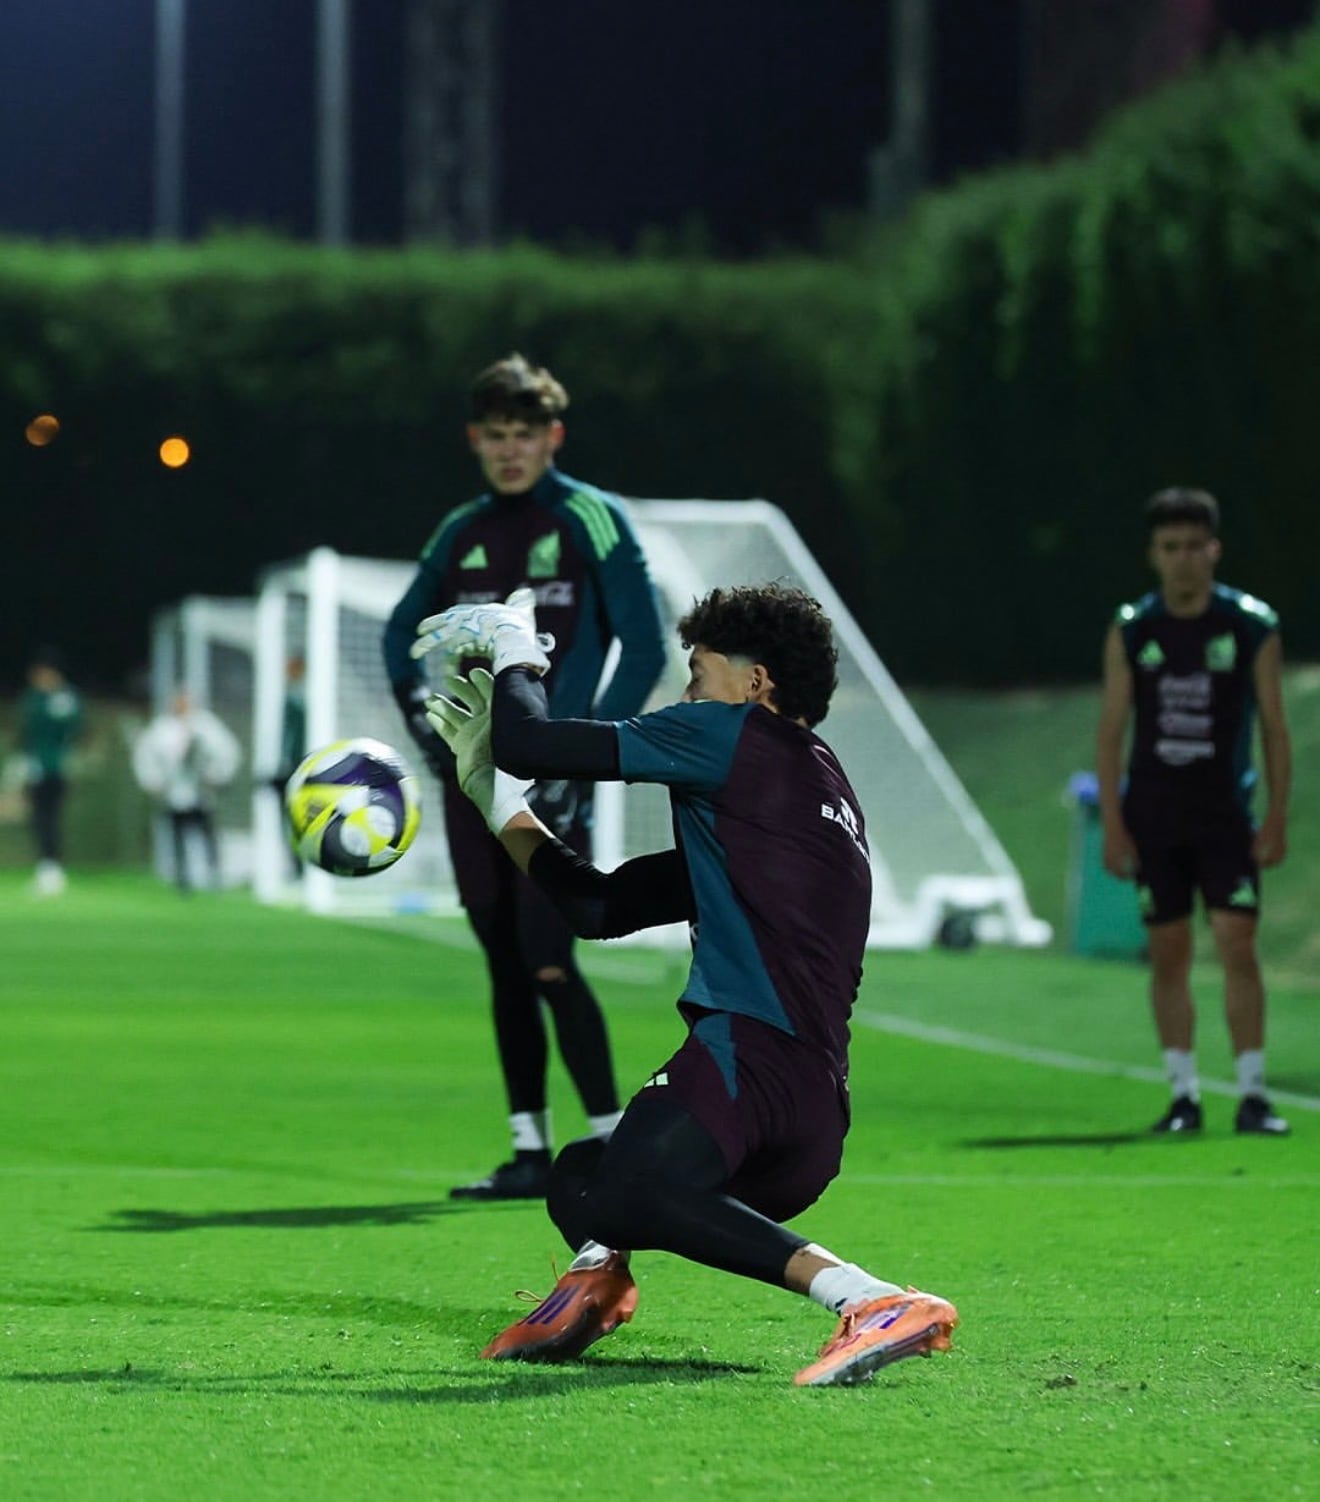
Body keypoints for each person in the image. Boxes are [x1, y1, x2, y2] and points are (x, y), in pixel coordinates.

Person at [414, 582, 959, 1387]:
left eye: (698, 672)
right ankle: (593, 1287)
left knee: (623, 1185)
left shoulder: (733, 734)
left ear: (756, 683)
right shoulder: (808, 794)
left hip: (749, 1057)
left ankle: (869, 1297)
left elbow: (531, 741)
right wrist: (498, 802)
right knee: (582, 1177)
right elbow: (599, 907)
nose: (687, 695)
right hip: (810, 1118)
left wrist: (514, 647)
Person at [382, 353, 666, 1201]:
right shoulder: (458, 531)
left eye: (525, 435)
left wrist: (587, 748)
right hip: (471, 780)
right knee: (504, 963)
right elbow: (399, 636)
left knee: (549, 960)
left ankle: (614, 1142)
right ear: (476, 440)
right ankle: (527, 1152)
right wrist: (427, 733)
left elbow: (644, 645)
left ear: (554, 437)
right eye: (496, 436)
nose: (511, 451)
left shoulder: (592, 517)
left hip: (549, 783)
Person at [1096, 487, 1293, 1137]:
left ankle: (1254, 1093)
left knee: (1238, 942)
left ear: (1215, 550)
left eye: (1195, 547)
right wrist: (1115, 825)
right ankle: (1183, 1094)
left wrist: (1276, 815)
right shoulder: (1134, 628)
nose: (1184, 560)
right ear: (1154, 555)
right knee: (1169, 949)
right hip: (1155, 815)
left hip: (1225, 816)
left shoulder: (1250, 626)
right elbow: (1111, 731)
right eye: (1170, 548)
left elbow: (1273, 727)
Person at [132, 689, 242, 892]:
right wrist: (152, 781)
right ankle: (182, 876)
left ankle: (213, 874)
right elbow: (146, 757)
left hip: (202, 791)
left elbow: (227, 750)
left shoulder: (206, 726)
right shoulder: (161, 728)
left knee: (207, 833)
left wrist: (218, 775)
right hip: (175, 792)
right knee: (178, 833)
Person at [20, 648, 83, 897]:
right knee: (39, 819)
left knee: (49, 818)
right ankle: (48, 867)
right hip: (37, 766)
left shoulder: (63, 698)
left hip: (55, 767)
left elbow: (74, 725)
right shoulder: (35, 698)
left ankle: (52, 869)